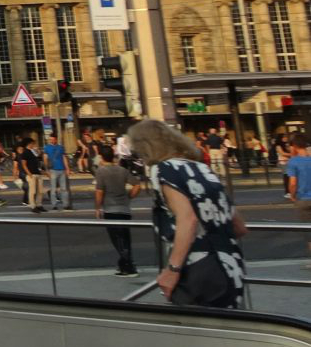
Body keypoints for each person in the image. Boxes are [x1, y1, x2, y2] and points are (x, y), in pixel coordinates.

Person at [128, 119, 247, 309]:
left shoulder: (164, 169)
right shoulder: (202, 168)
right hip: (231, 265)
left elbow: (187, 218)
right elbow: (239, 226)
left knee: (195, 330)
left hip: (197, 268)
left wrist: (172, 269)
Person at [93, 147, 142, 276]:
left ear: (101, 157)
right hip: (125, 208)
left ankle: (129, 267)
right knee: (125, 238)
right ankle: (123, 264)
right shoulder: (123, 170)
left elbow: (99, 192)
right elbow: (137, 185)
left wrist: (97, 208)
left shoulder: (101, 172)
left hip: (110, 209)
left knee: (117, 239)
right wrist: (129, 196)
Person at [283, 134, 311, 261]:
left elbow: (293, 183)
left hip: (303, 199)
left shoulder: (293, 162)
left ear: (294, 146)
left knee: (309, 233)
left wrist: (292, 195)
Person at [43, 133, 71, 210]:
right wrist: (46, 169)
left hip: (62, 169)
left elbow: (64, 158)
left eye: (53, 139)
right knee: (53, 188)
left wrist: (67, 168)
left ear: (56, 139)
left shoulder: (61, 147)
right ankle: (54, 205)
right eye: (50, 139)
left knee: (64, 188)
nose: (51, 141)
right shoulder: (47, 148)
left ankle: (66, 205)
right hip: (52, 170)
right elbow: (45, 158)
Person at [21, 138, 46, 213]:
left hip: (38, 173)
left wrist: (38, 151)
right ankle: (33, 206)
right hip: (31, 174)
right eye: (33, 143)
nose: (34, 145)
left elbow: (38, 159)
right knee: (33, 191)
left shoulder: (33, 151)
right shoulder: (25, 152)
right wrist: (29, 174)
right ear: (29, 144)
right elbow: (24, 165)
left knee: (40, 191)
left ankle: (39, 205)